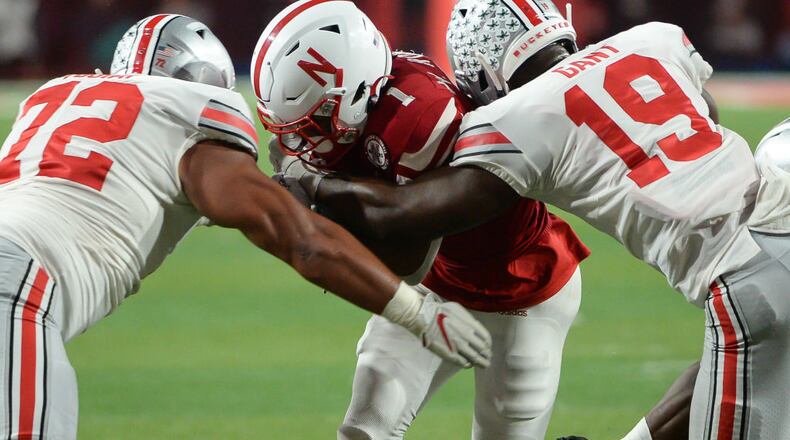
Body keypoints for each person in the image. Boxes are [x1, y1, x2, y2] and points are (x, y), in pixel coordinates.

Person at [278, 1, 790, 438]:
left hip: (738, 281)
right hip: (772, 229)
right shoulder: (652, 39)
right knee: (750, 367)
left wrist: (314, 184)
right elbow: (707, 113)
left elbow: (406, 216)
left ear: (480, 66)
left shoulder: (514, 118)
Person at [0, 14, 494, 439]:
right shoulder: (186, 117)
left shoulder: (54, 100)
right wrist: (418, 315)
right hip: (19, 286)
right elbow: (302, 242)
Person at [253, 1, 589, 438]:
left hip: (523, 289)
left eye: (315, 120)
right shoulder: (370, 99)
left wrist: (311, 196)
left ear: (358, 90)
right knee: (364, 429)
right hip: (440, 287)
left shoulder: (422, 114)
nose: (303, 140)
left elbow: (406, 255)